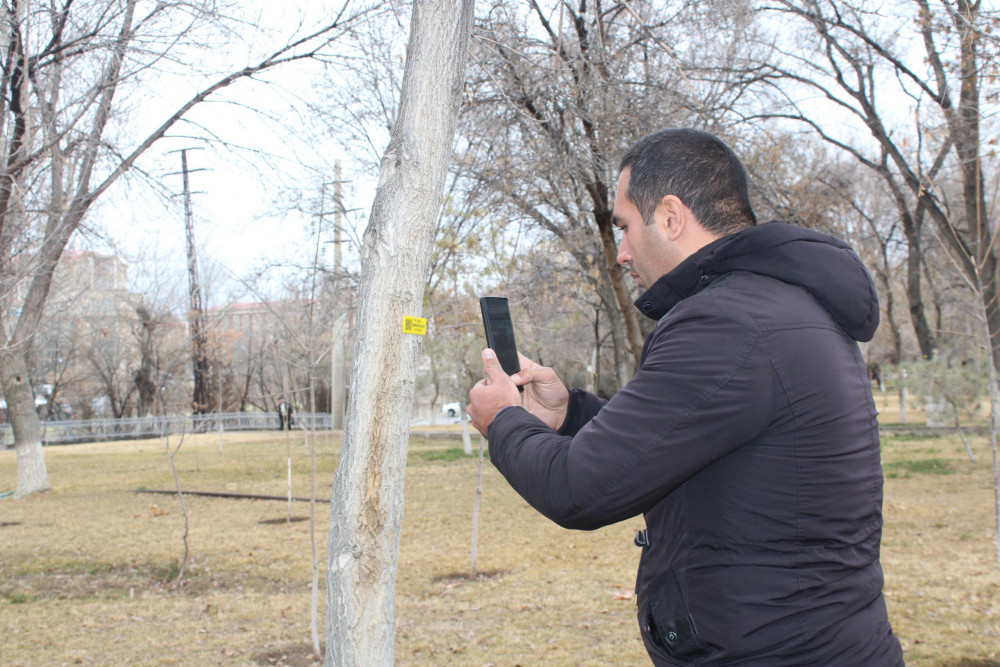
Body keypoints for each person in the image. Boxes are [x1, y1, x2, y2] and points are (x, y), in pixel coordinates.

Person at [467, 129, 904, 665]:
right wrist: (568, 415)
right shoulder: (778, 307)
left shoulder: (728, 322)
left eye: (625, 227)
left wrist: (504, 422)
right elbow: (691, 441)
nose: (622, 253)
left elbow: (578, 489)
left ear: (671, 217)